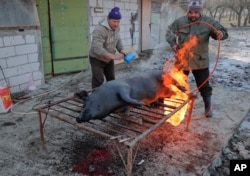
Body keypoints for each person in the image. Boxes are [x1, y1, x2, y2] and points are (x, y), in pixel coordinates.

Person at [165, 0, 228, 117]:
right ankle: (175, 109)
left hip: (200, 62)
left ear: (200, 11)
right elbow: (169, 31)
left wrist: (220, 34)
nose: (193, 15)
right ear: (188, 11)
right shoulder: (180, 21)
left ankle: (208, 108)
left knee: (204, 86)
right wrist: (173, 43)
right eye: (190, 12)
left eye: (196, 12)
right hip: (182, 60)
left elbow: (223, 32)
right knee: (177, 85)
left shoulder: (209, 22)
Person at [89, 7, 125, 89]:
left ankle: (111, 97)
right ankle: (96, 99)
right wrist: (114, 56)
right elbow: (97, 48)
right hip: (97, 58)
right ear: (108, 19)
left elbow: (118, 39)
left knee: (111, 79)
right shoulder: (100, 29)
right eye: (114, 21)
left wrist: (121, 50)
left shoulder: (116, 28)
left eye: (118, 21)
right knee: (98, 80)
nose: (116, 24)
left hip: (109, 58)